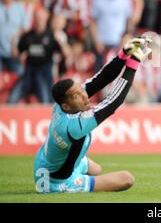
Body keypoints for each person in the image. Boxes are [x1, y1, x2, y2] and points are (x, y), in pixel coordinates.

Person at [33, 37, 152, 193]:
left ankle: (75, 170)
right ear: (66, 105)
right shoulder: (72, 128)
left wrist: (123, 54)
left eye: (81, 90)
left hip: (43, 164)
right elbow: (113, 102)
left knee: (97, 169)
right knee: (127, 178)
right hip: (56, 182)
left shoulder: (61, 105)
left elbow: (100, 80)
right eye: (77, 95)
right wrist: (134, 61)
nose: (84, 95)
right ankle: (72, 183)